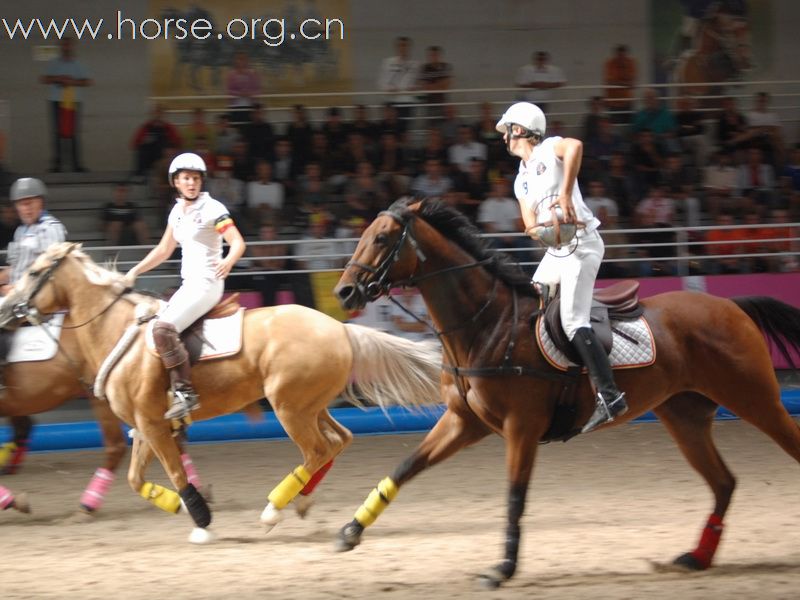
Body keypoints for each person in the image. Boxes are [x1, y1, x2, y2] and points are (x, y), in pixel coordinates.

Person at [495, 101, 627, 433]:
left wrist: (566, 195)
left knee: (572, 321)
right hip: (557, 251)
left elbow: (576, 147)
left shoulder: (550, 147)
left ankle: (610, 396)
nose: (504, 137)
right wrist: (543, 229)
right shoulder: (520, 179)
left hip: (582, 245)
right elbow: (528, 222)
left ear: (521, 131)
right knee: (530, 303)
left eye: (507, 130)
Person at [124, 153, 246, 420]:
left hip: (206, 284)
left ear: (201, 181)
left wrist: (229, 260)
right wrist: (135, 270)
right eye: (185, 179)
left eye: (195, 178)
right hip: (188, 285)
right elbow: (164, 249)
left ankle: (185, 393)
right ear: (176, 182)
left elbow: (238, 242)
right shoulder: (177, 212)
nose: (191, 183)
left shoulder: (212, 208)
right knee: (152, 328)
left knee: (163, 328)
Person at [0, 178, 67, 383]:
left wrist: (16, 288)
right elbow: (14, 266)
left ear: (41, 202)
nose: (26, 208)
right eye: (21, 203)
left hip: (36, 295)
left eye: (31, 202)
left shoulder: (51, 228)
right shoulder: (21, 231)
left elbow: (50, 269)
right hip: (17, 292)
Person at [39, 37, 92, 173]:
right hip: (56, 101)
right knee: (56, 132)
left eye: (68, 45)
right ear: (60, 47)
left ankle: (77, 165)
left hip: (73, 101)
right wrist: (58, 78)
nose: (66, 48)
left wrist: (72, 81)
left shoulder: (78, 64)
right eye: (64, 45)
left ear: (73, 47)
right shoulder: (53, 64)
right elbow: (43, 79)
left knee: (74, 133)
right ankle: (57, 165)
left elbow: (88, 82)